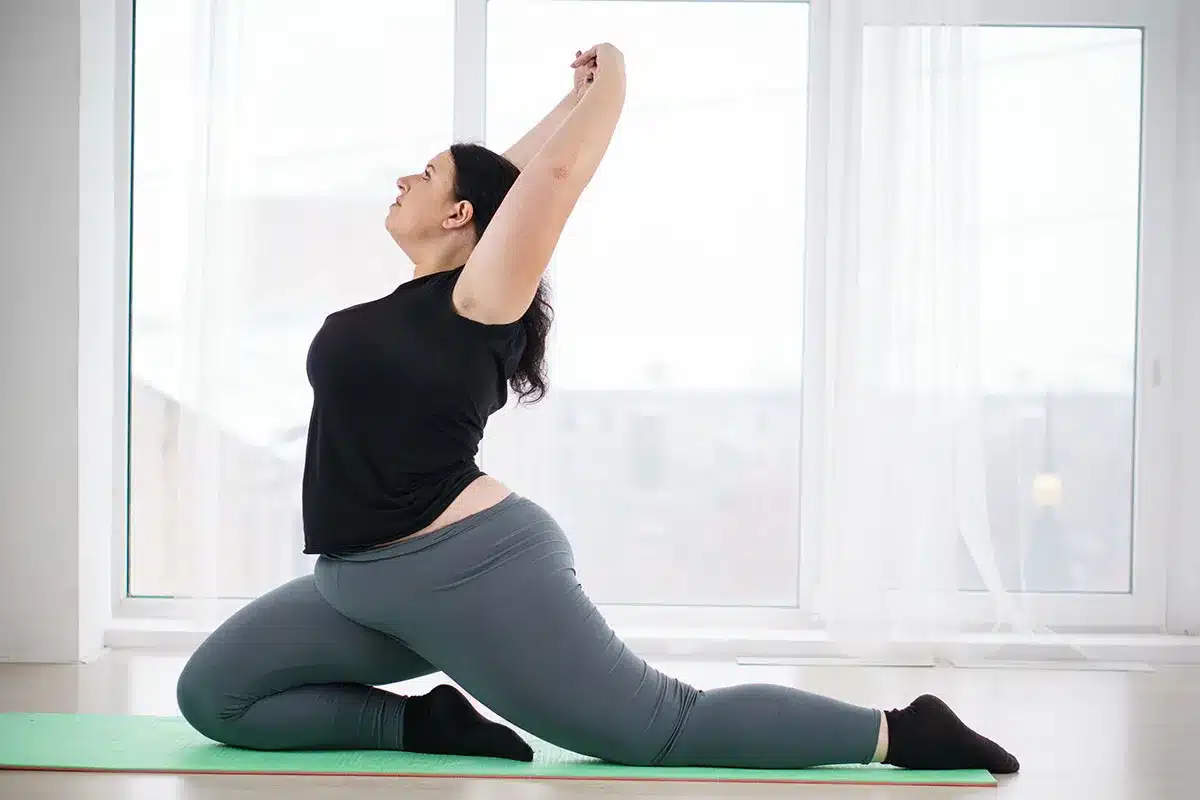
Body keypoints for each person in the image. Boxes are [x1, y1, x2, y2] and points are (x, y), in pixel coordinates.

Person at [175, 43, 1019, 775]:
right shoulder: (418, 297)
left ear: (461, 215)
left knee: (660, 729)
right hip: (354, 581)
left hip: (465, 575)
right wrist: (567, 99)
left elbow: (549, 180)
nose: (404, 178)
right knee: (215, 697)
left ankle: (900, 732)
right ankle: (424, 720)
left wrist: (612, 75)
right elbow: (506, 177)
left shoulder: (480, 301)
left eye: (426, 174)